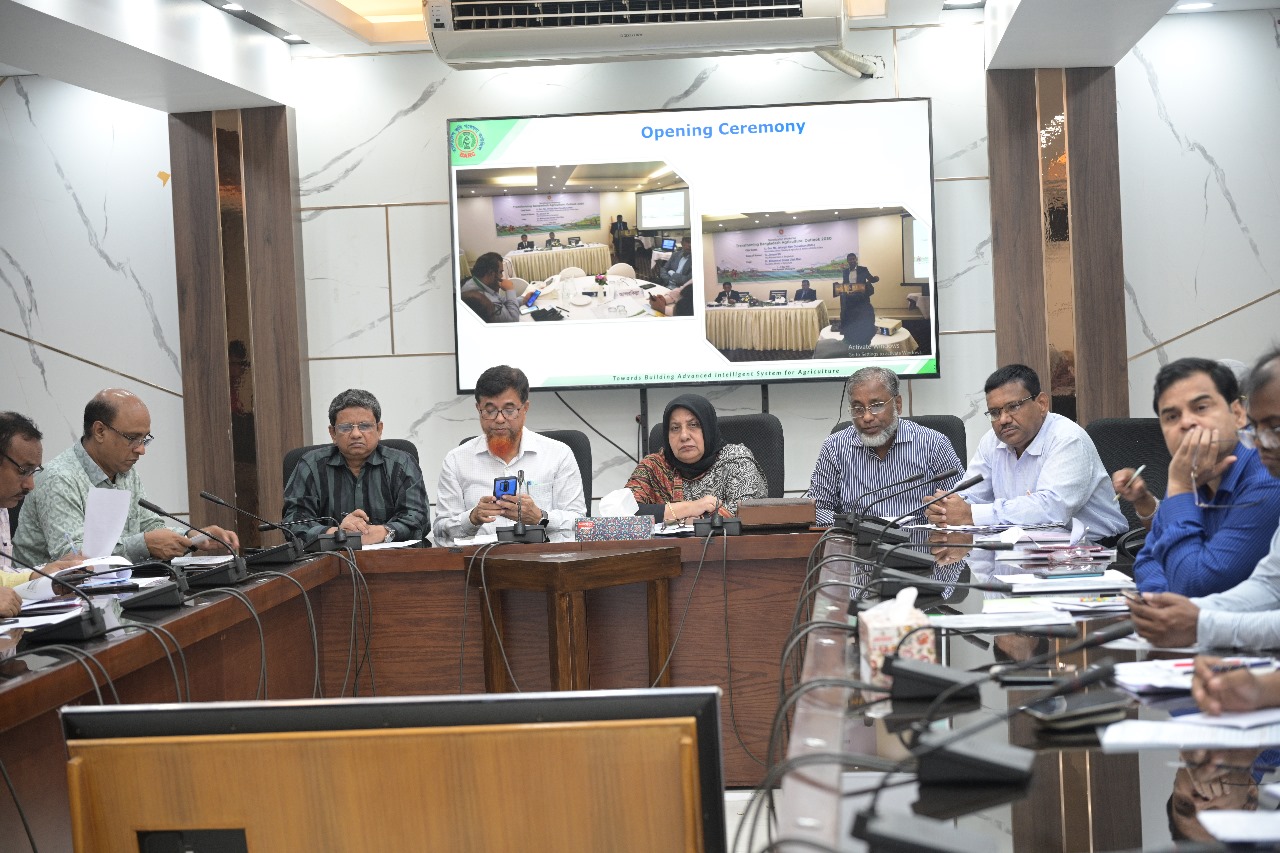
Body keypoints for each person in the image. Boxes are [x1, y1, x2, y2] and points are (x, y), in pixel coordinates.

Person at [1128, 349, 1280, 650]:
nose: (1186, 423)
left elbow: (1196, 585)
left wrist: (1198, 620)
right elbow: (1147, 561)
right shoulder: (1192, 474)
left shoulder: (1268, 477)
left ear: (1237, 414)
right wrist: (1167, 608)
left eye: (1200, 407)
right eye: (1172, 416)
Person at [14, 389, 240, 565]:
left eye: (144, 439)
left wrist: (192, 536)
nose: (141, 450)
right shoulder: (59, 478)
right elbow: (74, 558)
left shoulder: (125, 473)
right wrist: (144, 545)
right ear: (100, 431)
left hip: (116, 591)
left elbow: (150, 525)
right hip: (53, 602)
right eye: (132, 438)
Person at [925, 364, 1127, 539]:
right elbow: (971, 496)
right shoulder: (991, 442)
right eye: (995, 412)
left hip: (1094, 551)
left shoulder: (1068, 439)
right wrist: (947, 508)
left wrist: (970, 514)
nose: (1003, 419)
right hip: (1024, 547)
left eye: (1013, 407)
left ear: (1041, 404)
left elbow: (1052, 510)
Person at [433, 365, 585, 545]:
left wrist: (540, 517)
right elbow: (440, 532)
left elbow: (579, 523)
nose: (499, 419)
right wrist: (472, 518)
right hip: (480, 558)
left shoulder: (558, 454)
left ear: (525, 408)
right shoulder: (456, 460)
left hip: (542, 557)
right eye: (490, 410)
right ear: (478, 409)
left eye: (509, 410)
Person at [808, 368, 963, 525]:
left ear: (898, 404)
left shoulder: (934, 444)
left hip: (916, 540)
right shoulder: (835, 447)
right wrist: (856, 526)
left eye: (876, 406)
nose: (867, 417)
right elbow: (816, 510)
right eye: (858, 408)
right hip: (856, 539)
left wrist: (942, 513)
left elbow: (961, 504)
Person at [282, 389, 429, 546]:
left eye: (365, 426)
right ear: (333, 433)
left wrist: (382, 532)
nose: (356, 434)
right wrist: (336, 533)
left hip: (392, 558)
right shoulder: (311, 465)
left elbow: (419, 518)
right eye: (346, 427)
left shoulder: (401, 464)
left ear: (379, 429)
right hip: (330, 558)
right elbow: (293, 522)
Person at [626, 394, 767, 524]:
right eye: (675, 428)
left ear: (708, 428)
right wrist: (691, 507)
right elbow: (623, 512)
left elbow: (747, 514)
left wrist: (691, 521)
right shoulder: (654, 466)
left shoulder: (736, 460)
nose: (684, 436)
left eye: (693, 425)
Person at [0, 412, 86, 615]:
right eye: (23, 471)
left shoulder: (2, 508)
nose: (30, 485)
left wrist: (39, 574)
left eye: (34, 472)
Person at [461, 251, 520, 323]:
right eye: (500, 272)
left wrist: (523, 299)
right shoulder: (483, 300)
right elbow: (513, 320)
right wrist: (510, 289)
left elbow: (502, 300)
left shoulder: (476, 282)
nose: (501, 276)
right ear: (491, 273)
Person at [838, 252, 879, 346]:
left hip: (861, 298)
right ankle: (849, 335)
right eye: (850, 259)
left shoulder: (863, 269)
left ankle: (863, 334)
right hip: (849, 298)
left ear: (856, 260)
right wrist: (839, 288)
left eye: (853, 259)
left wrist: (876, 279)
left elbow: (871, 279)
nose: (852, 261)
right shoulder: (845, 271)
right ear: (847, 261)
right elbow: (845, 283)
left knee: (862, 315)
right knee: (850, 316)